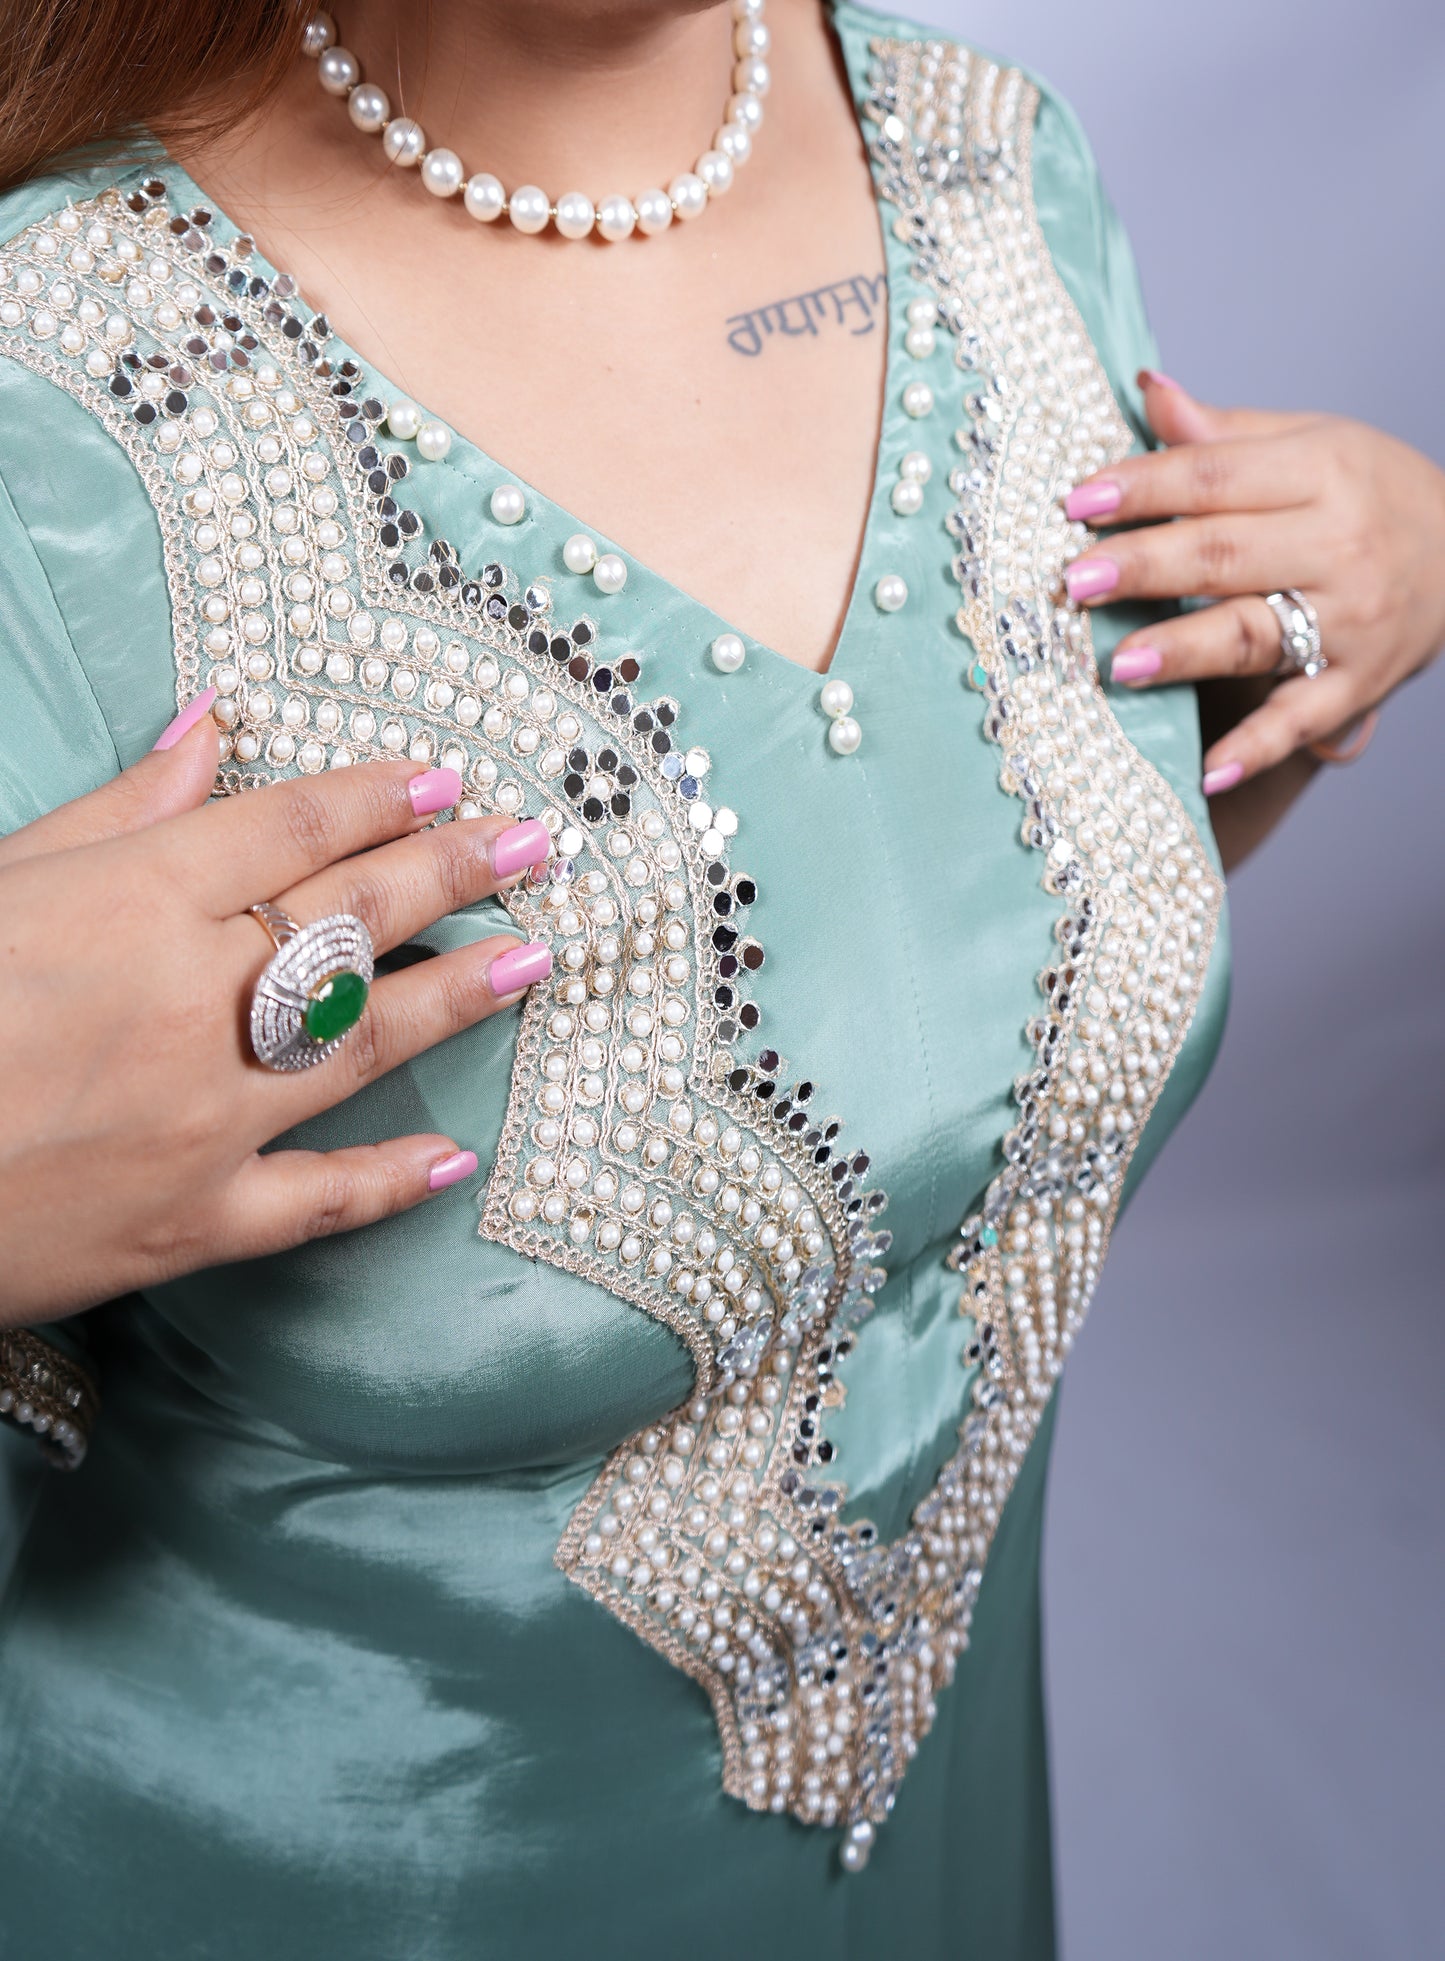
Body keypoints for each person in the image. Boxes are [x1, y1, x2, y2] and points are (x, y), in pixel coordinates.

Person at [0, 0, 1439, 1953]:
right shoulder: (51, 415)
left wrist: (1317, 637)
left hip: (941, 1851)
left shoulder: (987, 165)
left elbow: (945, 979)